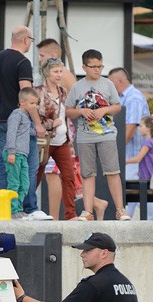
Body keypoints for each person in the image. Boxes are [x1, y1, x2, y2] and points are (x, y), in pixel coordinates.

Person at [0, 26, 52, 221]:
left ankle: (1, 207)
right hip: (21, 124)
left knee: (4, 165)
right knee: (29, 164)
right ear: (26, 40)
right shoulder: (22, 62)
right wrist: (38, 124)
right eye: (31, 41)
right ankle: (30, 208)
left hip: (1, 118)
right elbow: (27, 98)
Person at [65, 49, 130, 221]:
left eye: (100, 66)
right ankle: (87, 211)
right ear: (84, 67)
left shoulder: (108, 84)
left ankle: (120, 210)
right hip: (85, 136)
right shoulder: (77, 87)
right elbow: (68, 111)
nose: (97, 70)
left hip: (107, 134)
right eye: (93, 66)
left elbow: (117, 106)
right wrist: (81, 111)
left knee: (113, 172)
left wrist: (104, 110)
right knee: (87, 174)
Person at [34, 58, 78, 220]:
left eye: (61, 71)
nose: (59, 75)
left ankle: (70, 214)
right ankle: (27, 208)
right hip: (44, 141)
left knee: (68, 176)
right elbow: (34, 116)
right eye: (55, 71)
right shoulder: (38, 91)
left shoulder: (63, 92)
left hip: (62, 141)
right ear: (47, 73)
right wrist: (52, 123)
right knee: (35, 175)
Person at [108, 67, 151, 218]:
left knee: (139, 195)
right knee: (133, 198)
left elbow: (129, 130)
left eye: (111, 82)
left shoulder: (133, 98)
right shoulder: (122, 98)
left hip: (133, 157)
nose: (109, 86)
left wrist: (114, 151)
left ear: (120, 81)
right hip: (130, 158)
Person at [5, 87, 40, 219]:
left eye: (36, 103)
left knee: (24, 183)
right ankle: (13, 210)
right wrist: (11, 152)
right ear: (22, 102)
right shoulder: (16, 115)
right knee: (14, 183)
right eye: (32, 103)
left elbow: (26, 131)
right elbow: (11, 133)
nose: (34, 106)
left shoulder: (26, 117)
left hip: (23, 155)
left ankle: (19, 208)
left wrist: (39, 131)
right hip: (15, 154)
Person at [124, 116, 153, 214]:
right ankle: (128, 215)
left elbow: (138, 158)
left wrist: (124, 161)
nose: (139, 128)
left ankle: (128, 216)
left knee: (142, 199)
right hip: (145, 175)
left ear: (148, 128)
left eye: (141, 126)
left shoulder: (147, 143)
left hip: (146, 177)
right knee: (135, 196)